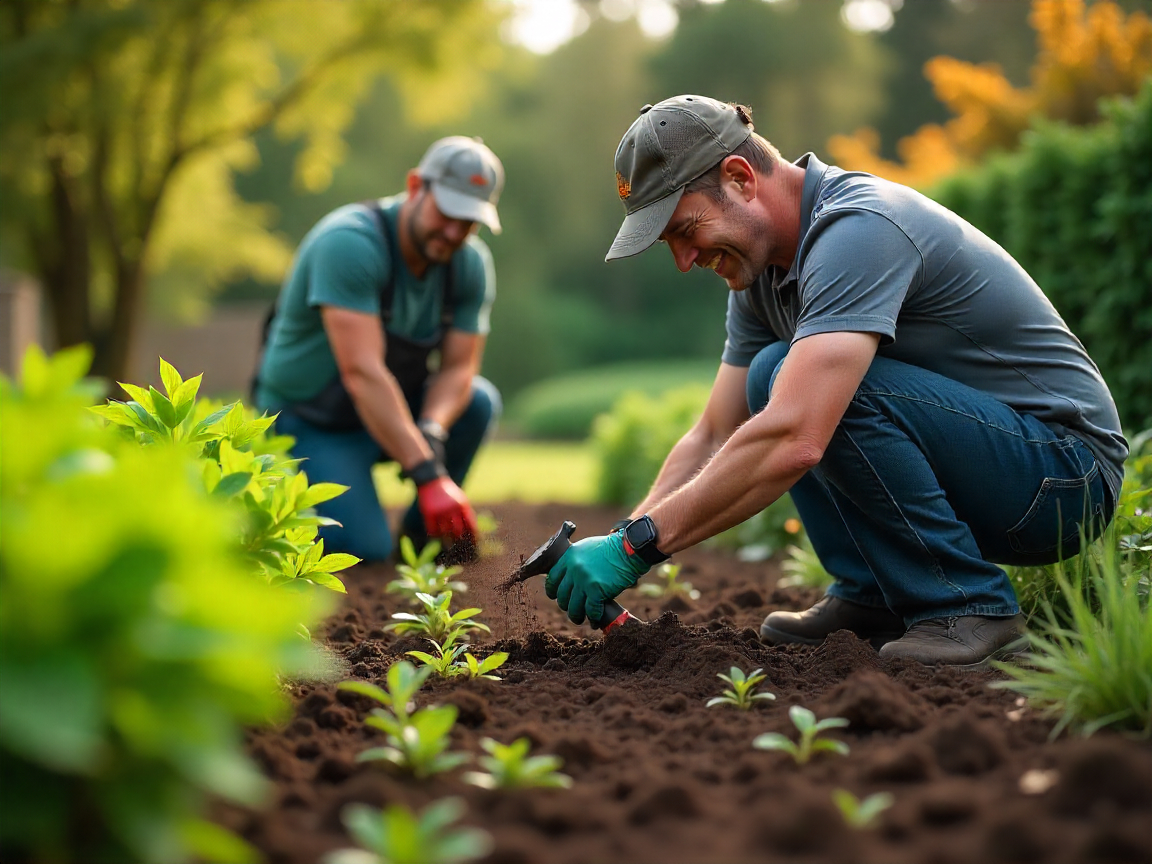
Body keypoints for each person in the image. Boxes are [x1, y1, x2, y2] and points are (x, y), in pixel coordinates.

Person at [544, 95, 1127, 667]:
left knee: (811, 394)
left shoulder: (858, 228)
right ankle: (873, 594)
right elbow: (715, 431)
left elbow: (796, 433)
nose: (683, 259)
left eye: (685, 230)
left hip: (1063, 476)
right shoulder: (759, 278)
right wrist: (625, 537)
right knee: (776, 374)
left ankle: (969, 606)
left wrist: (638, 547)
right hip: (1001, 467)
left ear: (741, 178)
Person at [254, 136, 505, 562]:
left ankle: (422, 538)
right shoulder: (350, 242)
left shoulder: (470, 265)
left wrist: (430, 431)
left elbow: (459, 369)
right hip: (313, 417)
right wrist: (427, 474)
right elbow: (362, 373)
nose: (453, 232)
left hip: (386, 408)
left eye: (468, 222)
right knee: (360, 550)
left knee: (478, 401)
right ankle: (383, 527)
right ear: (414, 187)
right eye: (446, 213)